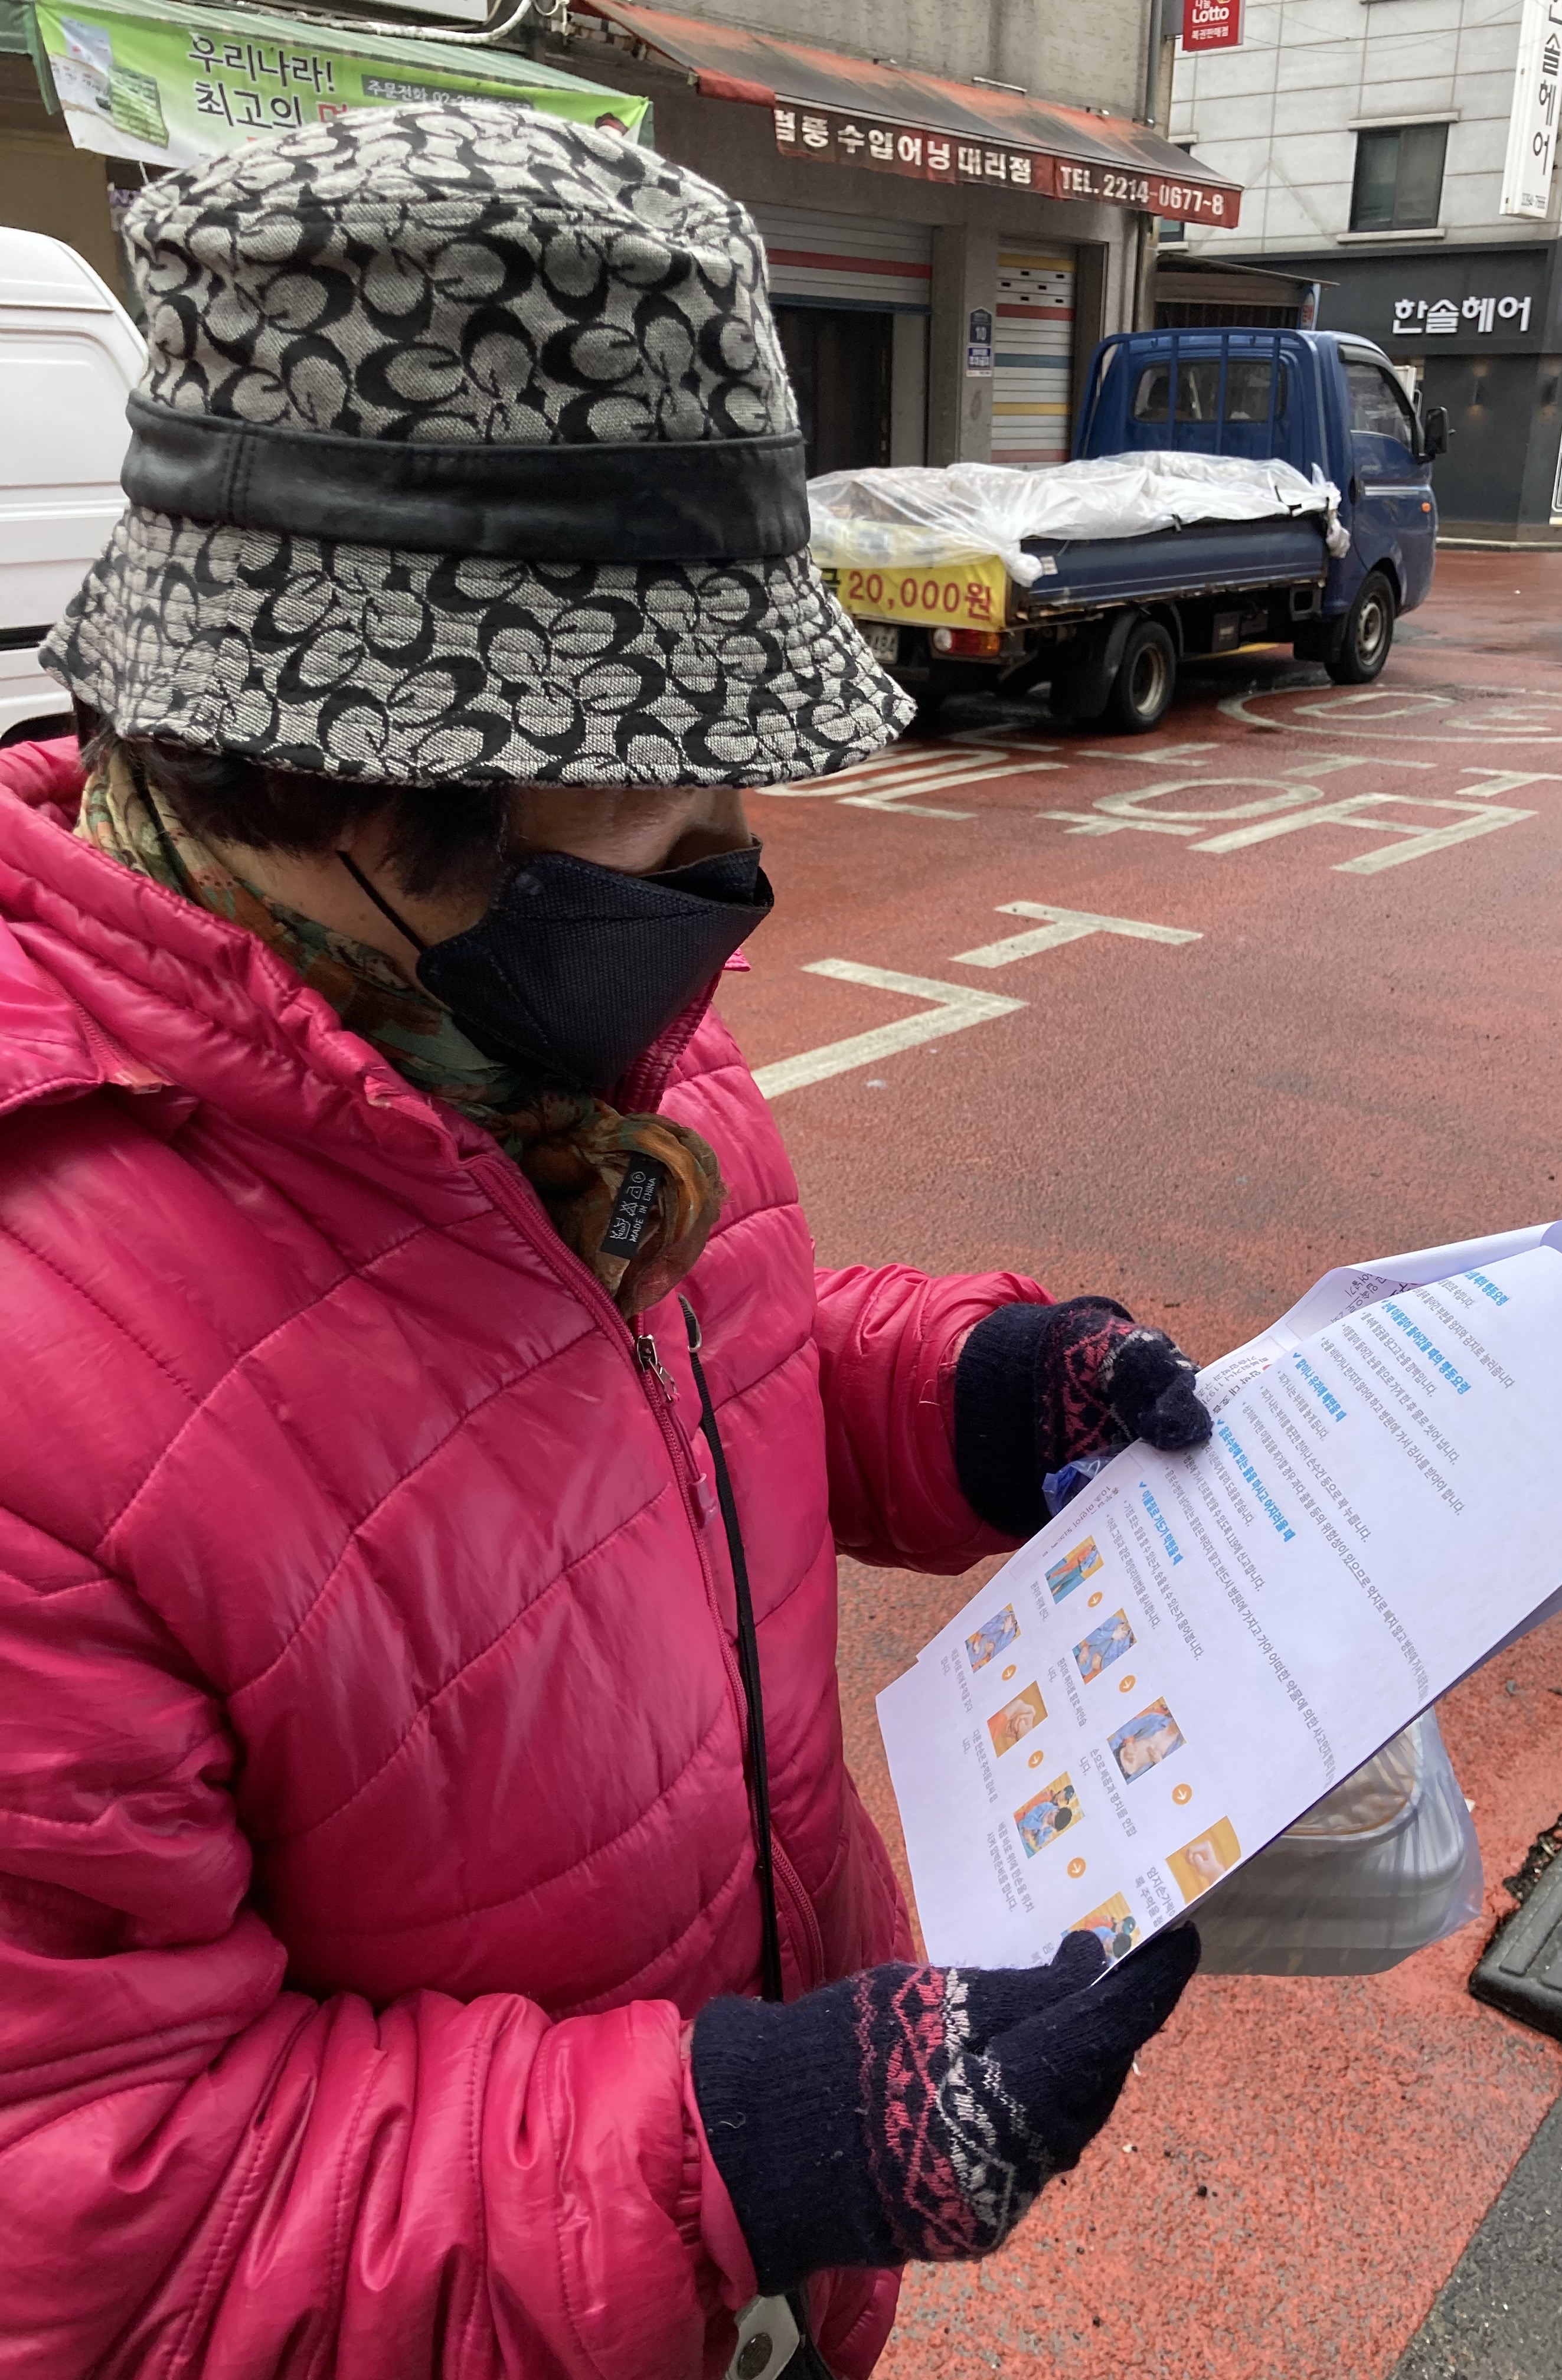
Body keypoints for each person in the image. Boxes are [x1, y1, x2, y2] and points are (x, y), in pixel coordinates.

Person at [0, 106, 1215, 2379]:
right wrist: (744, 2154)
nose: (733, 852)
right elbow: (100, 2229)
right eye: (674, 768)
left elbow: (629, 1384)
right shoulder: (38, 1361)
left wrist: (952, 1396)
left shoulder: (548, 1032)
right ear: (358, 774)